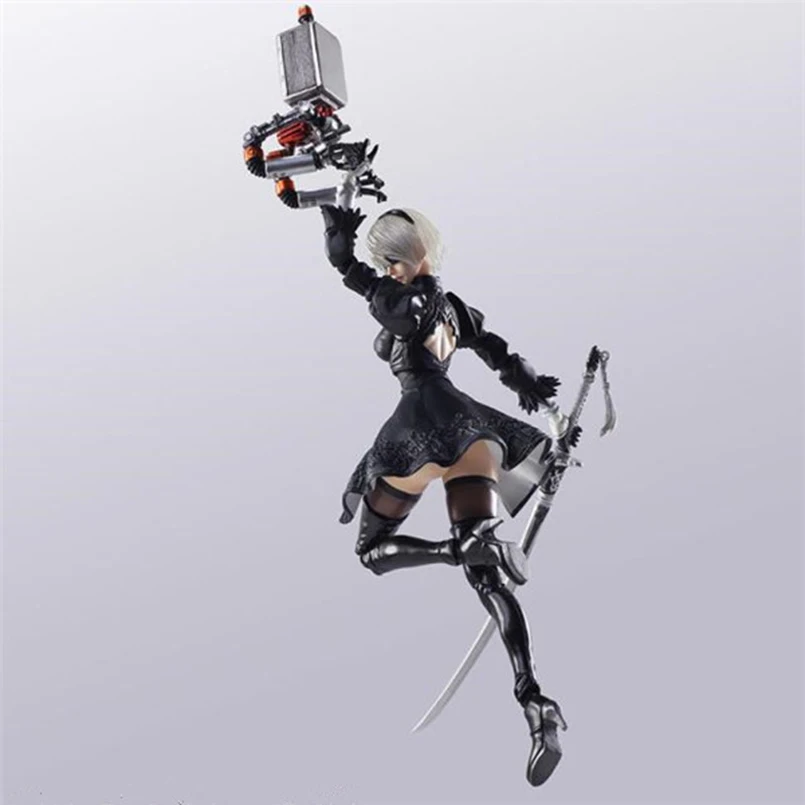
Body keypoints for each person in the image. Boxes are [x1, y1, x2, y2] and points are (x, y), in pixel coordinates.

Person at [321, 204, 569, 786]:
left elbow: (374, 292)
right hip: (472, 432)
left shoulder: (411, 301)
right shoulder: (455, 310)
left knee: (371, 549)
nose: (388, 272)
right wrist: (543, 399)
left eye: (391, 262)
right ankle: (536, 703)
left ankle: (458, 550)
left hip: (419, 425)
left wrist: (342, 256)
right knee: (489, 581)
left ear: (405, 259)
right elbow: (501, 354)